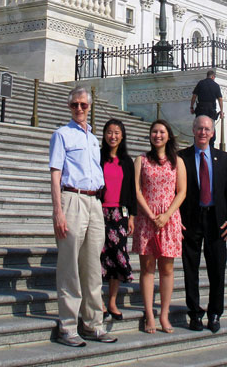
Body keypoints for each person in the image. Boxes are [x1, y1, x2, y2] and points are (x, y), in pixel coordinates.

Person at [49, 86, 117, 347]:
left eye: (83, 105)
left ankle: (92, 324)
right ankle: (68, 325)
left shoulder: (92, 138)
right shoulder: (61, 134)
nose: (79, 109)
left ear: (90, 107)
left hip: (94, 201)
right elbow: (55, 173)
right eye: (75, 105)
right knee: (69, 266)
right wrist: (58, 211)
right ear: (69, 107)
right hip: (72, 198)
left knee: (91, 267)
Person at [179, 115, 227, 334]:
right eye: (199, 128)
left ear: (212, 133)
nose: (203, 132)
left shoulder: (223, 158)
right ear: (193, 130)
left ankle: (215, 313)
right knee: (190, 269)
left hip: (217, 220)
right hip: (191, 219)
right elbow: (176, 191)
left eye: (207, 129)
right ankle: (194, 313)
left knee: (217, 269)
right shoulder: (181, 157)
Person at [132, 119, 186, 334]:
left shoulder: (177, 162)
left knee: (167, 268)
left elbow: (181, 191)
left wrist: (167, 215)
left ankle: (163, 314)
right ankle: (149, 314)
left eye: (161, 131)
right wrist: (150, 213)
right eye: (154, 131)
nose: (157, 135)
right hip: (147, 217)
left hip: (169, 218)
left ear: (168, 135)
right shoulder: (141, 160)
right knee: (147, 268)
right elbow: (136, 190)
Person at [100, 118, 137, 320]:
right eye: (109, 132)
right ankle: (97, 302)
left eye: (117, 132)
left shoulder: (126, 161)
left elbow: (131, 190)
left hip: (119, 214)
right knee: (98, 258)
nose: (112, 136)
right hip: (99, 212)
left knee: (116, 256)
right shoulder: (98, 157)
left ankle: (112, 302)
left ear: (122, 136)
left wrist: (132, 215)